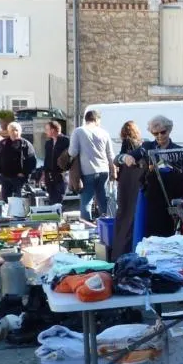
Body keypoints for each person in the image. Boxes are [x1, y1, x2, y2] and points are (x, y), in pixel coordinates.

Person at [109, 120, 145, 260]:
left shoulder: (127, 142)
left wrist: (123, 158)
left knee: (124, 217)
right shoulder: (140, 144)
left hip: (127, 184)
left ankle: (119, 253)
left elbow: (118, 160)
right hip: (134, 185)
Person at [70, 110, 115, 220]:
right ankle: (106, 224)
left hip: (87, 171)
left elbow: (73, 152)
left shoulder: (78, 131)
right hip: (104, 171)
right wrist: (113, 170)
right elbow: (110, 154)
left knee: (86, 202)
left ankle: (87, 226)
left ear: (86, 119)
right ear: (96, 119)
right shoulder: (104, 133)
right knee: (102, 200)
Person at [0, 121, 37, 203]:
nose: (15, 132)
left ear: (20, 131)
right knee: (6, 200)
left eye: (16, 130)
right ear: (9, 132)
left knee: (20, 200)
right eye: (12, 130)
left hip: (19, 179)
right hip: (5, 178)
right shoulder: (2, 143)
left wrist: (25, 173)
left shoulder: (26, 144)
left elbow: (32, 161)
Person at [40, 121, 70, 205]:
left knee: (59, 198)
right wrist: (44, 174)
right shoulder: (48, 143)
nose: (46, 132)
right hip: (49, 176)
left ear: (53, 130)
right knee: (51, 199)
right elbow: (46, 159)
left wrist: (66, 171)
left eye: (47, 129)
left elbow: (71, 157)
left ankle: (58, 211)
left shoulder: (66, 141)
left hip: (61, 175)